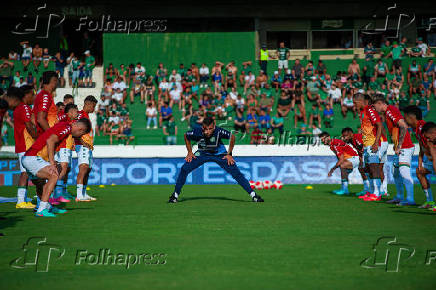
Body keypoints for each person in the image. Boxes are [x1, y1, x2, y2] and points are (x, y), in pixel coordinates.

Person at [169, 117, 264, 203]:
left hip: (220, 154)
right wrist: (190, 152)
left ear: (214, 127)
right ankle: (175, 195)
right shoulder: (197, 131)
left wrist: (229, 154)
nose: (207, 131)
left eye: (210, 129)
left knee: (236, 173)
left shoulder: (219, 131)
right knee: (184, 169)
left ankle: (254, 195)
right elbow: (186, 136)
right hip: (202, 153)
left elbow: (232, 137)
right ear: (203, 127)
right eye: (205, 129)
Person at [22, 118, 91, 217]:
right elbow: (50, 140)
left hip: (29, 157)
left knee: (41, 183)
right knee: (54, 175)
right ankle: (41, 210)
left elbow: (50, 140)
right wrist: (52, 162)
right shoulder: (67, 128)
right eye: (82, 134)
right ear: (81, 130)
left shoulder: (64, 125)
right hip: (33, 157)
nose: (79, 136)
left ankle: (47, 207)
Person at [373, 97, 416, 206]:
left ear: (380, 103)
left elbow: (403, 126)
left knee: (404, 172)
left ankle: (410, 199)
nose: (375, 109)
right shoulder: (388, 113)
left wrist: (400, 144)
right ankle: (400, 196)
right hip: (400, 147)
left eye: (375, 106)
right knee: (395, 173)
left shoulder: (390, 110)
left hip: (404, 147)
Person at [353, 93, 383, 201]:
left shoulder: (369, 110)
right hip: (366, 145)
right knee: (368, 169)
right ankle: (371, 192)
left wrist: (376, 143)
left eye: (355, 103)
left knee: (374, 167)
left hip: (372, 144)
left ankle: (377, 193)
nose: (354, 105)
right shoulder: (362, 112)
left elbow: (379, 125)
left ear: (360, 101)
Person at [403, 106, 434, 209]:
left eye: (405, 117)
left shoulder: (423, 127)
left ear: (412, 117)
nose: (404, 119)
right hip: (430, 159)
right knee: (419, 172)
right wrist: (420, 164)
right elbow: (422, 147)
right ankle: (430, 202)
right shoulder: (416, 129)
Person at [13, 86, 37, 209]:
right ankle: (21, 201)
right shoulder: (24, 108)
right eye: (32, 94)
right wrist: (38, 139)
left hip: (22, 144)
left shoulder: (19, 108)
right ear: (26, 95)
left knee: (26, 172)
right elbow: (29, 125)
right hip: (25, 144)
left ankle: (23, 200)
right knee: (25, 173)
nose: (33, 97)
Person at [53, 103, 79, 203]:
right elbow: (56, 121)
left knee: (63, 169)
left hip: (66, 146)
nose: (77, 113)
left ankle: (57, 193)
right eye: (76, 111)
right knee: (62, 169)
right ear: (71, 111)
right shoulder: (65, 116)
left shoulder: (71, 120)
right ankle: (57, 194)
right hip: (62, 146)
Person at [75, 95, 98, 202]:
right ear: (87, 104)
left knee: (87, 170)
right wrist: (83, 143)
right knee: (83, 168)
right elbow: (74, 130)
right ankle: (79, 195)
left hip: (87, 146)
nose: (94, 109)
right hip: (82, 146)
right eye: (93, 106)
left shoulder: (86, 115)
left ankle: (84, 193)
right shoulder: (80, 115)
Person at [341, 127, 371, 196]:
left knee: (368, 171)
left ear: (350, 134)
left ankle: (374, 190)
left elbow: (363, 147)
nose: (344, 138)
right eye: (343, 136)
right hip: (364, 155)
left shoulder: (357, 137)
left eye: (345, 136)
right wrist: (360, 159)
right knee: (361, 169)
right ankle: (367, 190)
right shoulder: (352, 140)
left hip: (369, 154)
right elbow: (359, 150)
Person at [422, 122, 436, 211]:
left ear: (434, 133)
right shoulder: (431, 142)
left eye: (428, 137)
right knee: (419, 172)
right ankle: (430, 201)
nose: (427, 140)